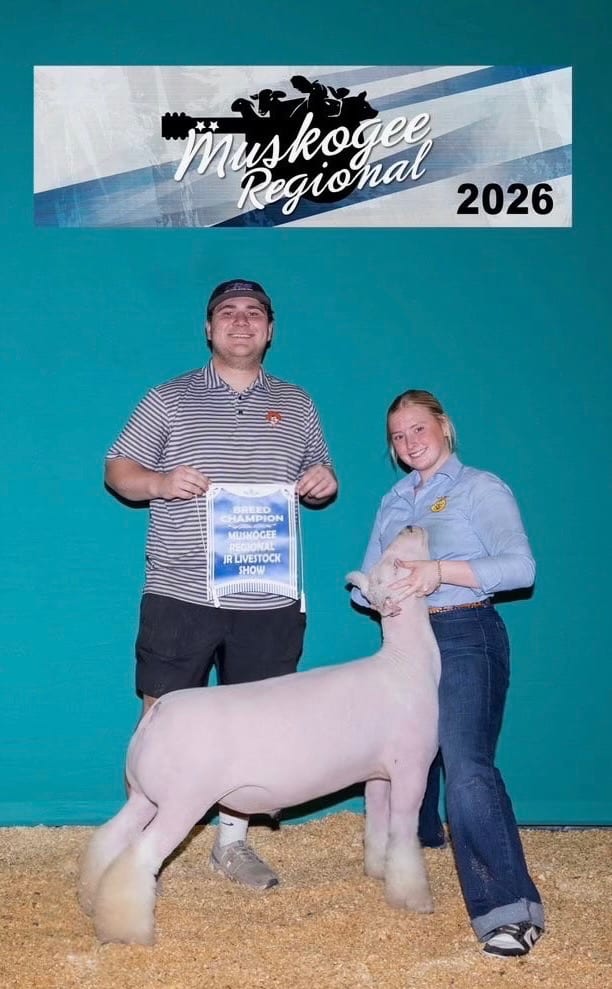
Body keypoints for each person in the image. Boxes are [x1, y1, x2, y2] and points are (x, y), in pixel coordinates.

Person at [105, 278, 337, 891]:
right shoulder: (169, 398)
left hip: (269, 595)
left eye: (253, 313)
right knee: (159, 719)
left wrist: (323, 481)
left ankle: (231, 844)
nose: (240, 321)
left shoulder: (297, 403)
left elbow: (321, 472)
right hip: (181, 589)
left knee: (257, 727)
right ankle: (138, 845)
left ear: (270, 330)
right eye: (227, 313)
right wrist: (158, 483)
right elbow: (118, 469)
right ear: (208, 329)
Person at [352, 389, 544, 958]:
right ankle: (423, 839)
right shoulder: (393, 500)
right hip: (404, 641)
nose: (409, 442)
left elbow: (520, 567)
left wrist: (439, 571)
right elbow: (367, 581)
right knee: (400, 754)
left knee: (466, 765)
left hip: (464, 631)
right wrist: (377, 594)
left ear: (444, 426)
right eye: (398, 436)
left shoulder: (479, 488)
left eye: (418, 428)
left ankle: (510, 909)